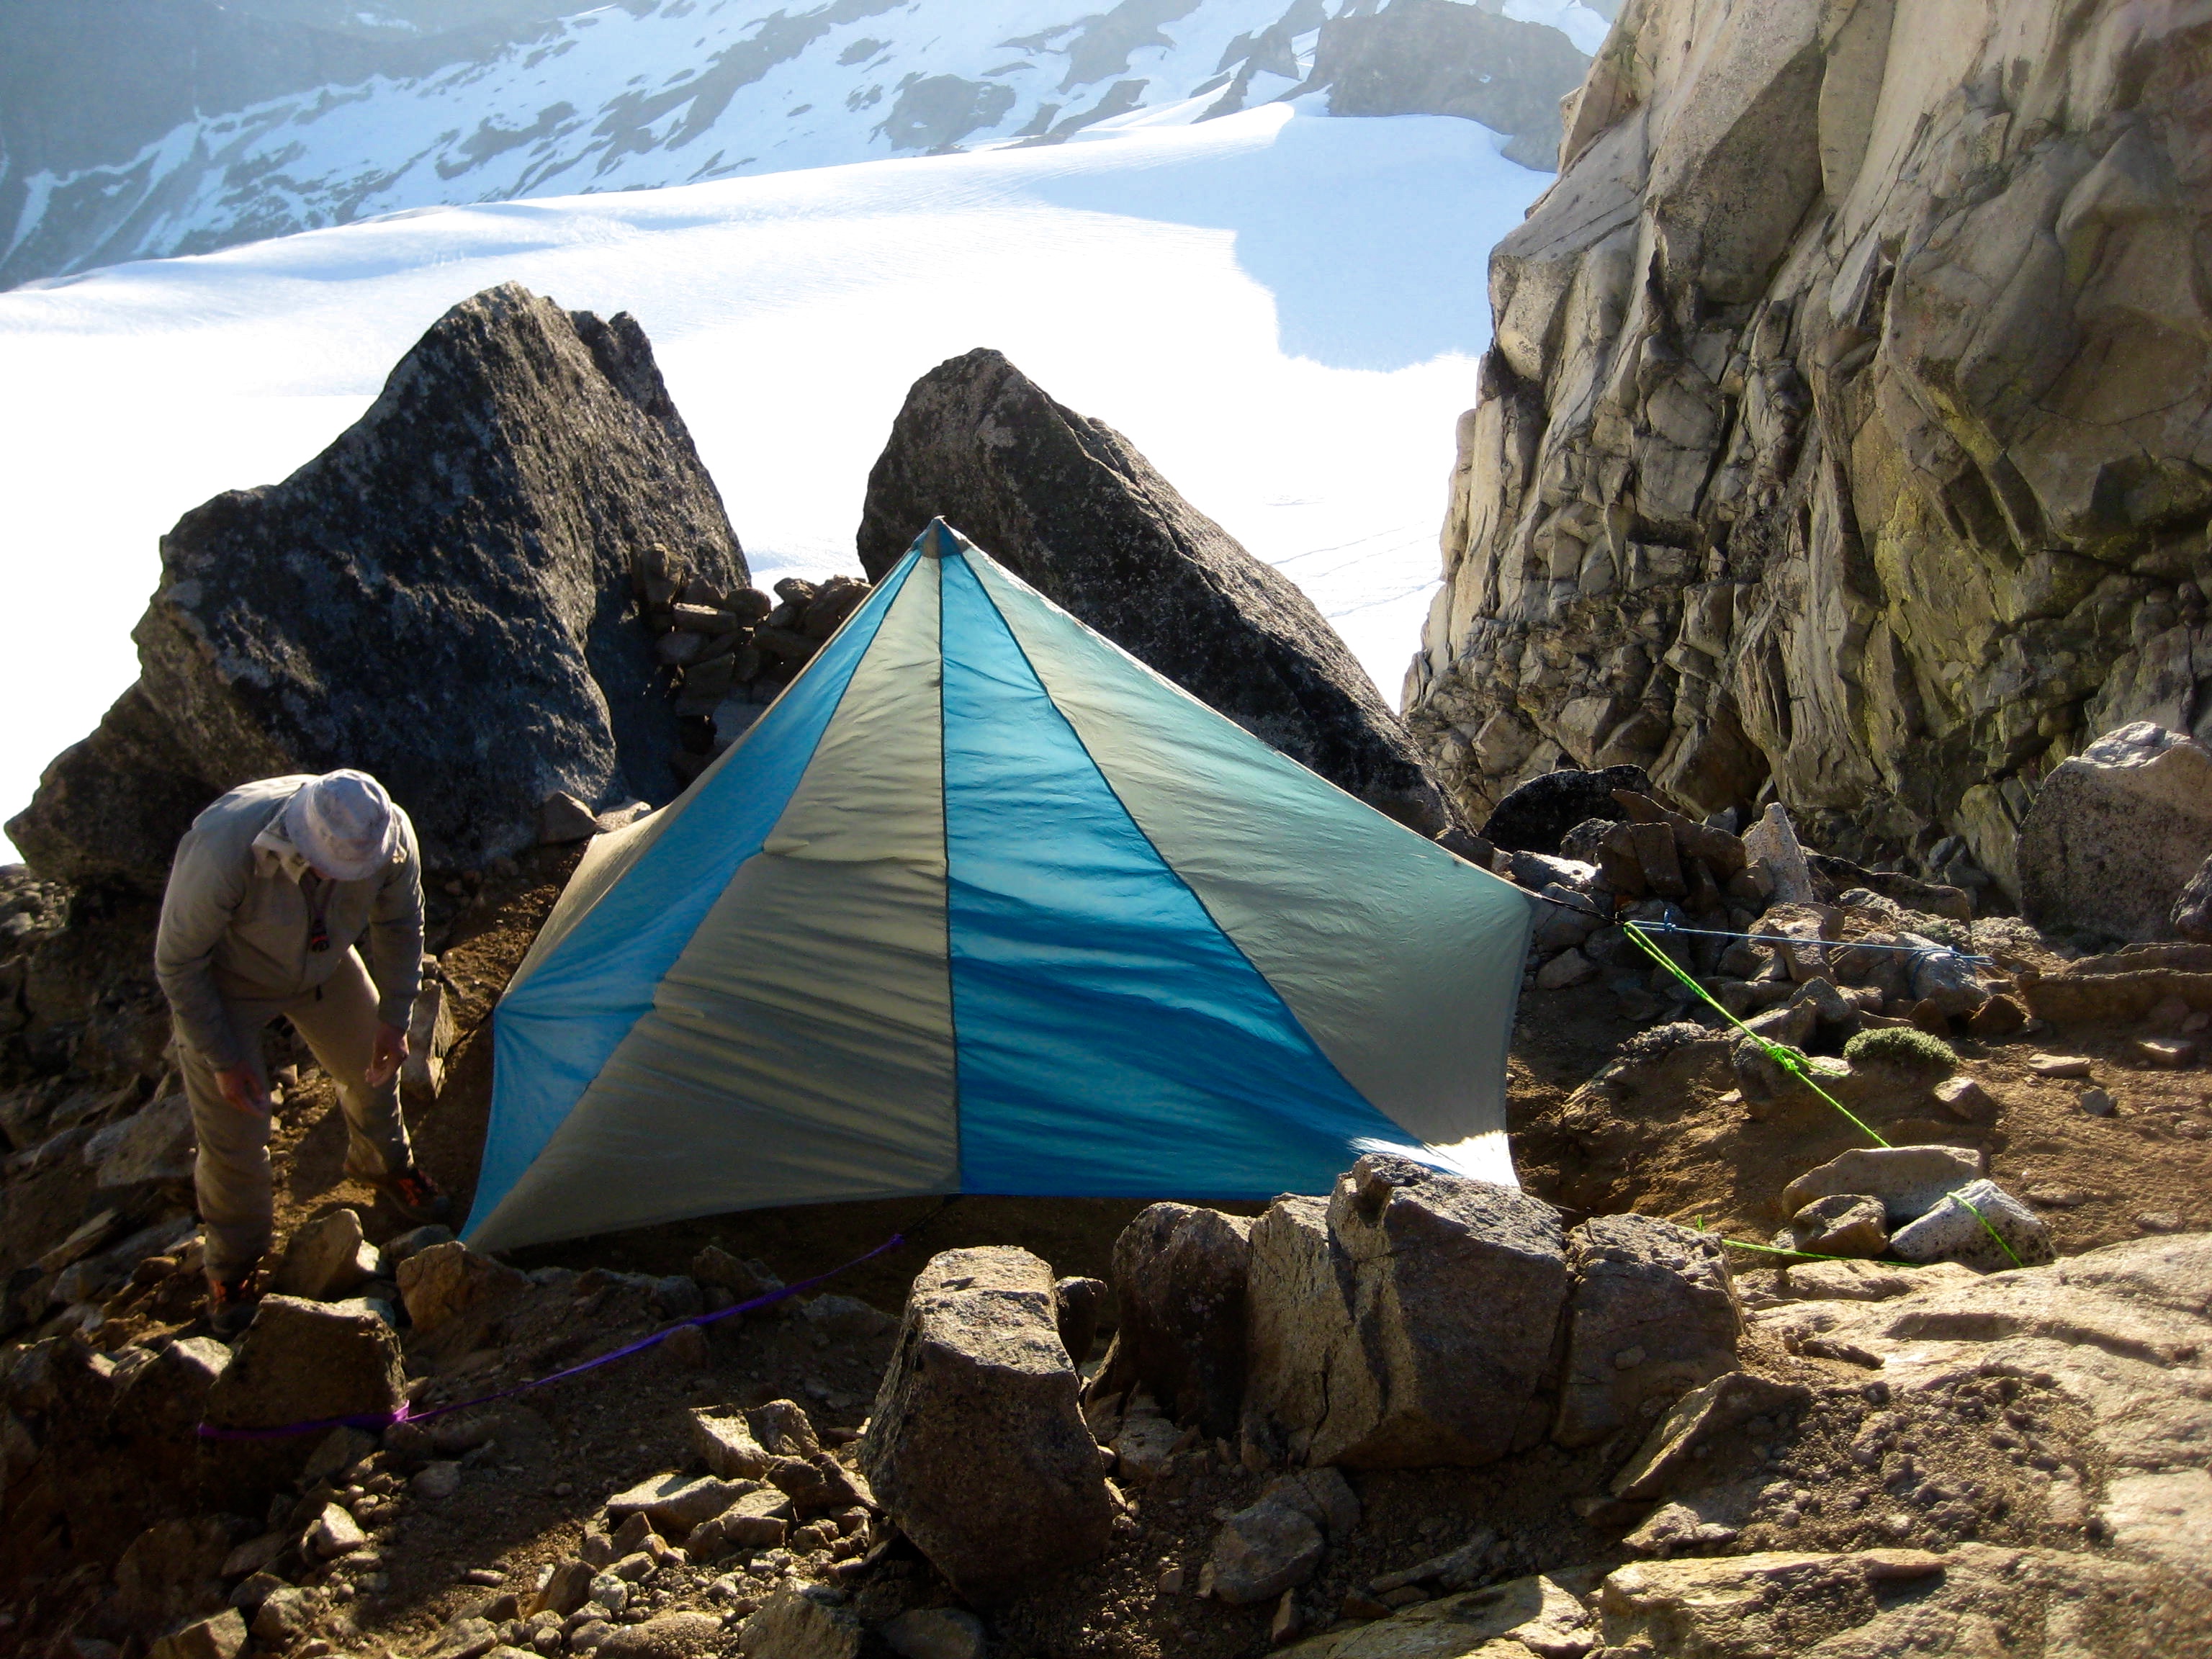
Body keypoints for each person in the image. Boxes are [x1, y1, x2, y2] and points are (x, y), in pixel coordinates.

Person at [156, 770, 447, 1334]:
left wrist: (394, 1018)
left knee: (374, 1067)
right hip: (229, 982)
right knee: (236, 1129)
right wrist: (222, 1057)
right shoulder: (225, 847)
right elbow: (178, 962)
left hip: (325, 963)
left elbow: (400, 922)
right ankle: (234, 1265)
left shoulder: (390, 835)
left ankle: (385, 1164)